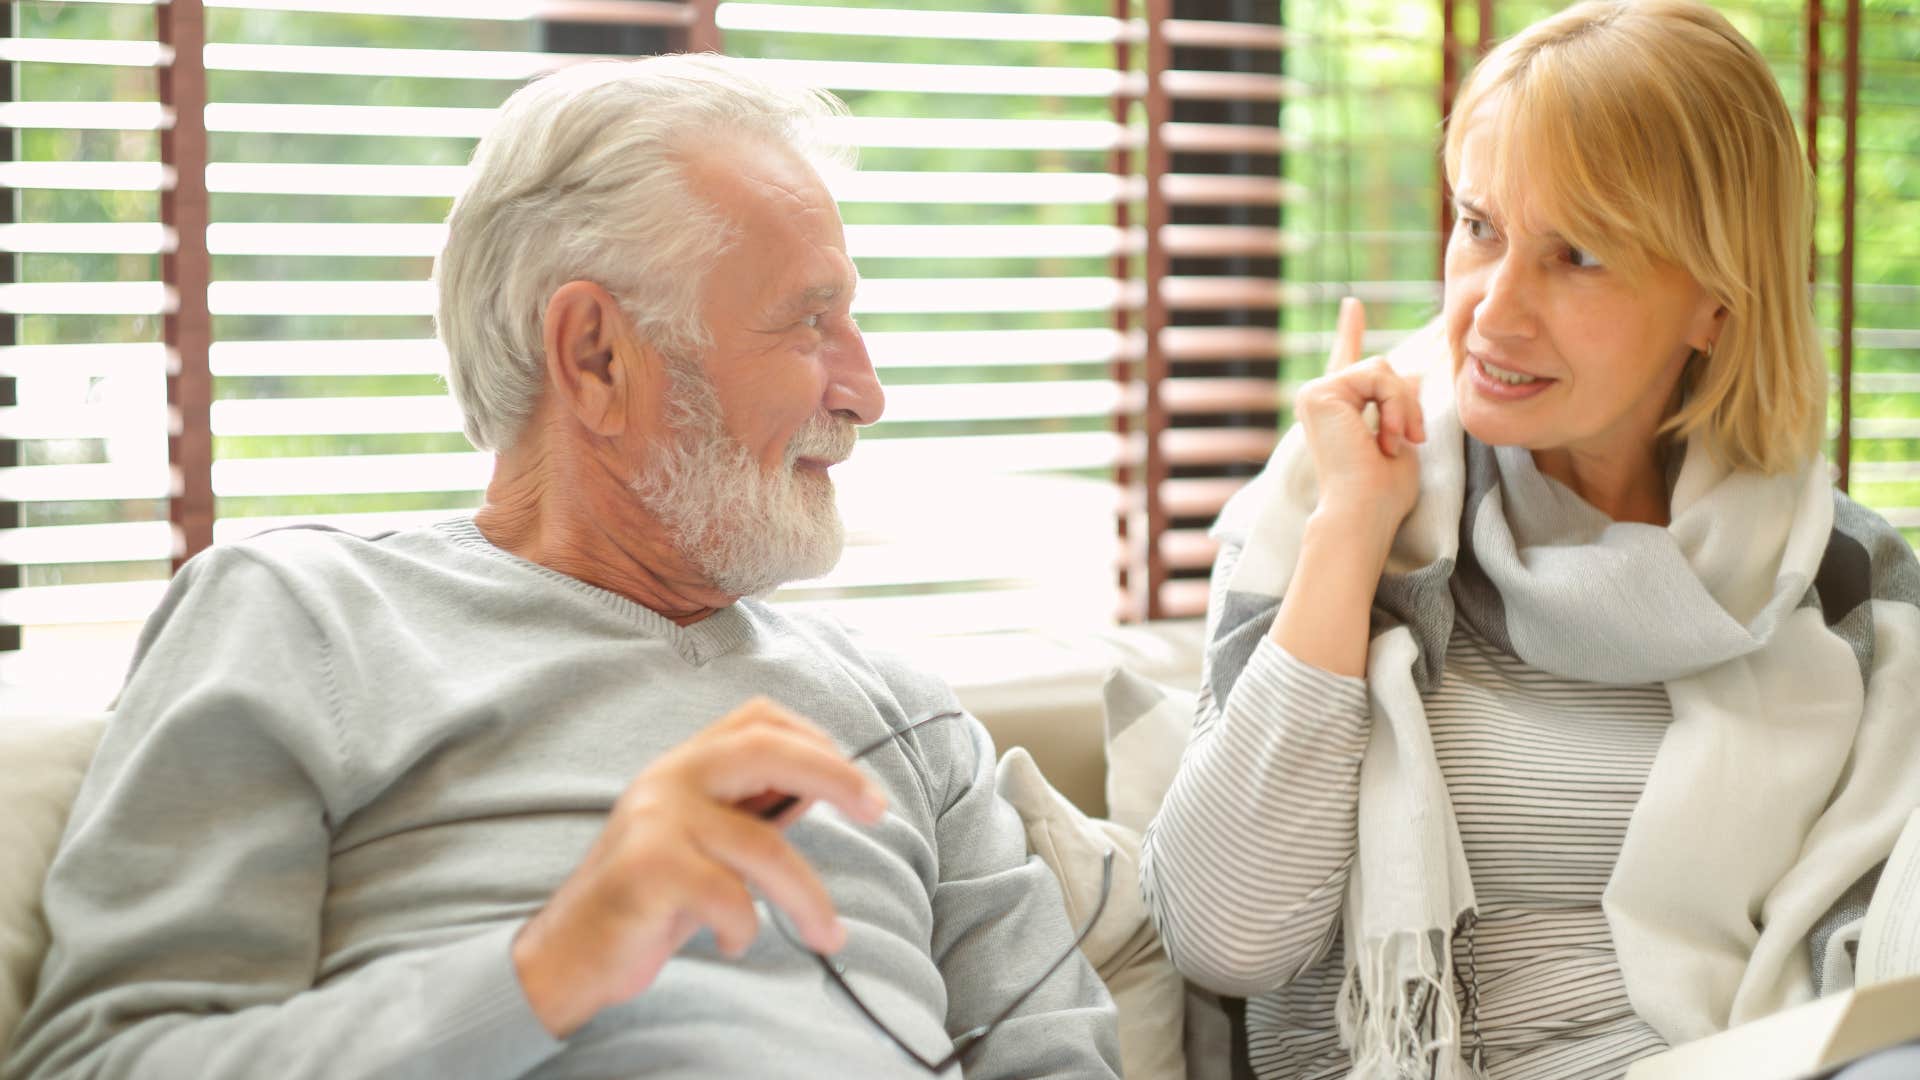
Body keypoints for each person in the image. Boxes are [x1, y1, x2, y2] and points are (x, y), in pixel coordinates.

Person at [3, 56, 1120, 1080]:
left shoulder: (905, 718)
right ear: (595, 356)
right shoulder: (303, 615)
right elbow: (107, 1061)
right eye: (808, 322)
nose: (865, 391)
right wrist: (551, 963)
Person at [1139, 2, 1920, 1078]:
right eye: (1479, 226)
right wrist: (1353, 527)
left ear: (1718, 307)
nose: (1492, 311)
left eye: (1579, 255)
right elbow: (1226, 934)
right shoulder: (1347, 504)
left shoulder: (1847, 586)